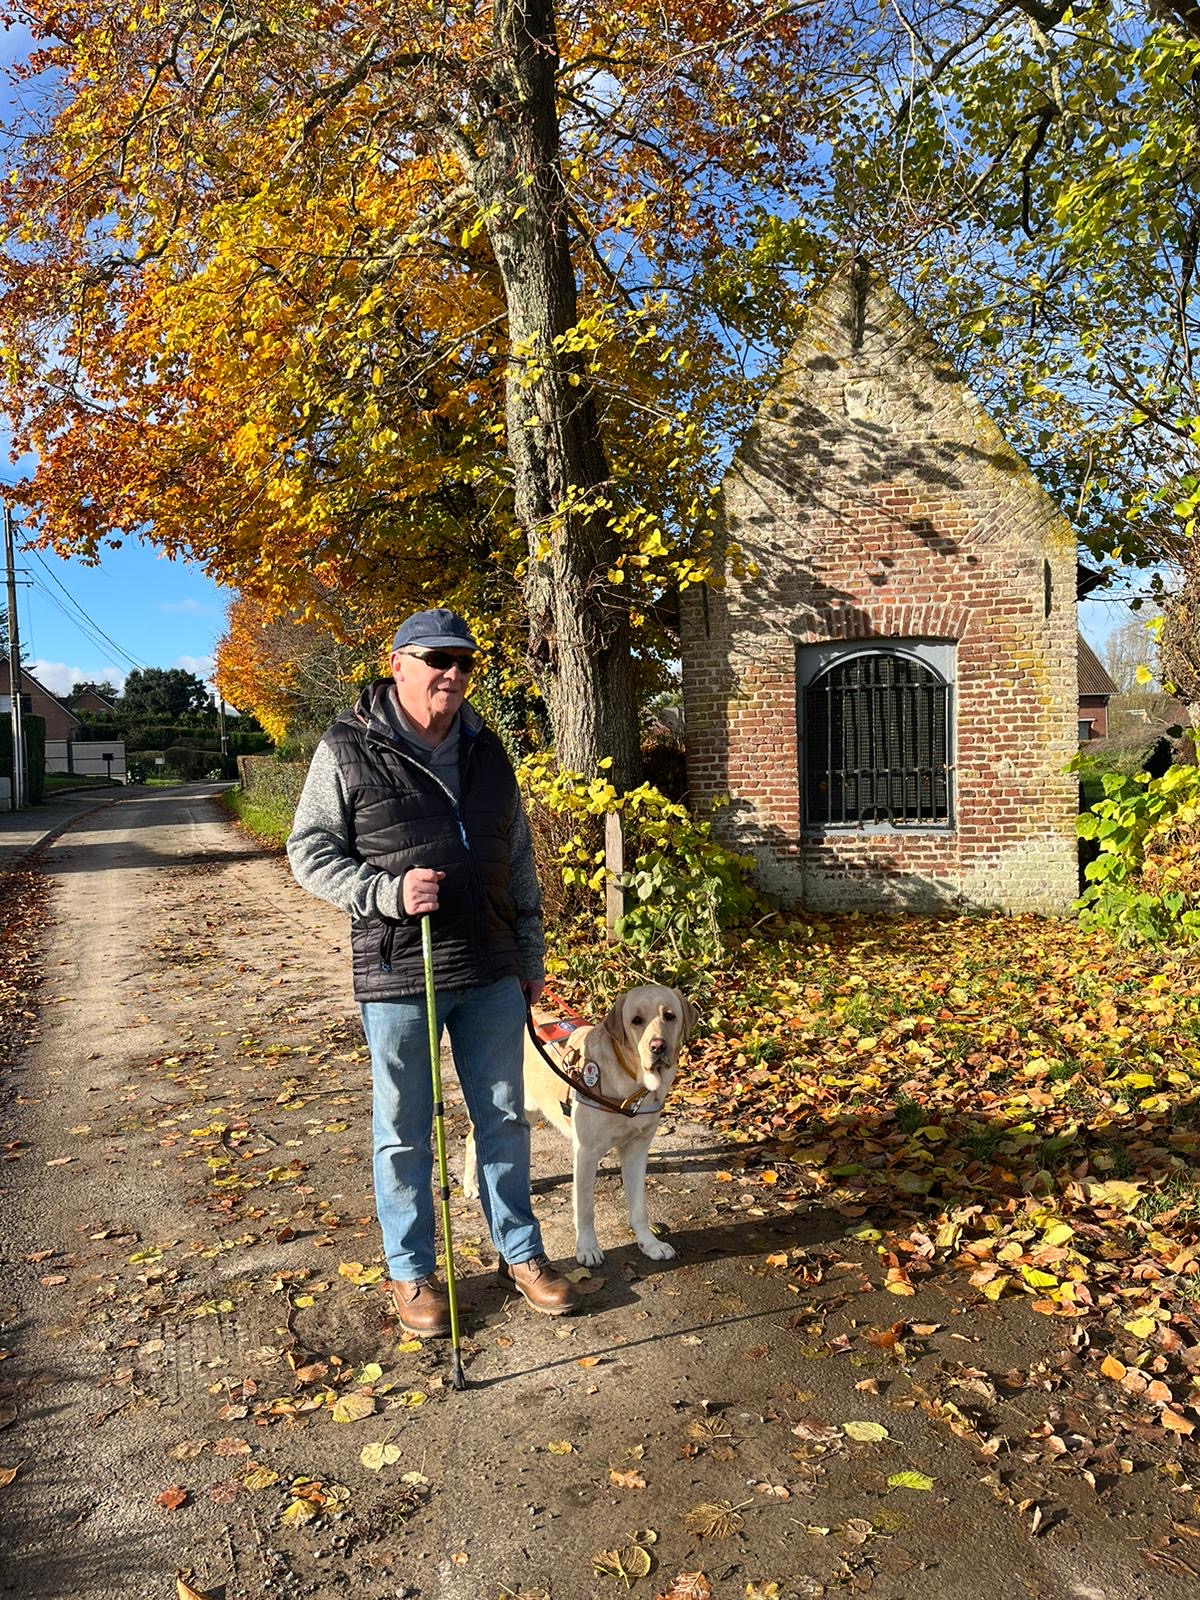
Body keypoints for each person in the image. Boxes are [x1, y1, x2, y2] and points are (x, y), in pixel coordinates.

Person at [286, 607, 579, 1335]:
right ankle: (412, 1272)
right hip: (400, 972)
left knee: (504, 1118)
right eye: (437, 658)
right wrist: (384, 893)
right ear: (399, 664)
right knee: (405, 1128)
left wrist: (530, 956)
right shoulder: (349, 747)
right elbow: (309, 850)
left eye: (465, 662)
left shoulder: (488, 750)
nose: (453, 673)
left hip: (489, 969)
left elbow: (516, 864)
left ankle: (521, 1252)